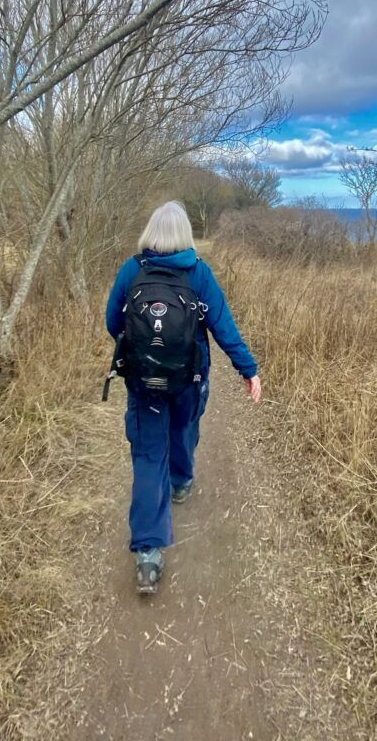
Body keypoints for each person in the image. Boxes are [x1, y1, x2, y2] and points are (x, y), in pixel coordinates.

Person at [105, 200, 261, 594]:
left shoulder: (131, 270)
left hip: (143, 381)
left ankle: (148, 556)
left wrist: (146, 352)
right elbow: (223, 326)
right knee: (184, 429)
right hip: (189, 378)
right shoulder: (199, 274)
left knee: (146, 454)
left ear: (151, 233)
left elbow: (113, 322)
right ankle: (181, 480)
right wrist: (248, 369)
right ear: (186, 235)